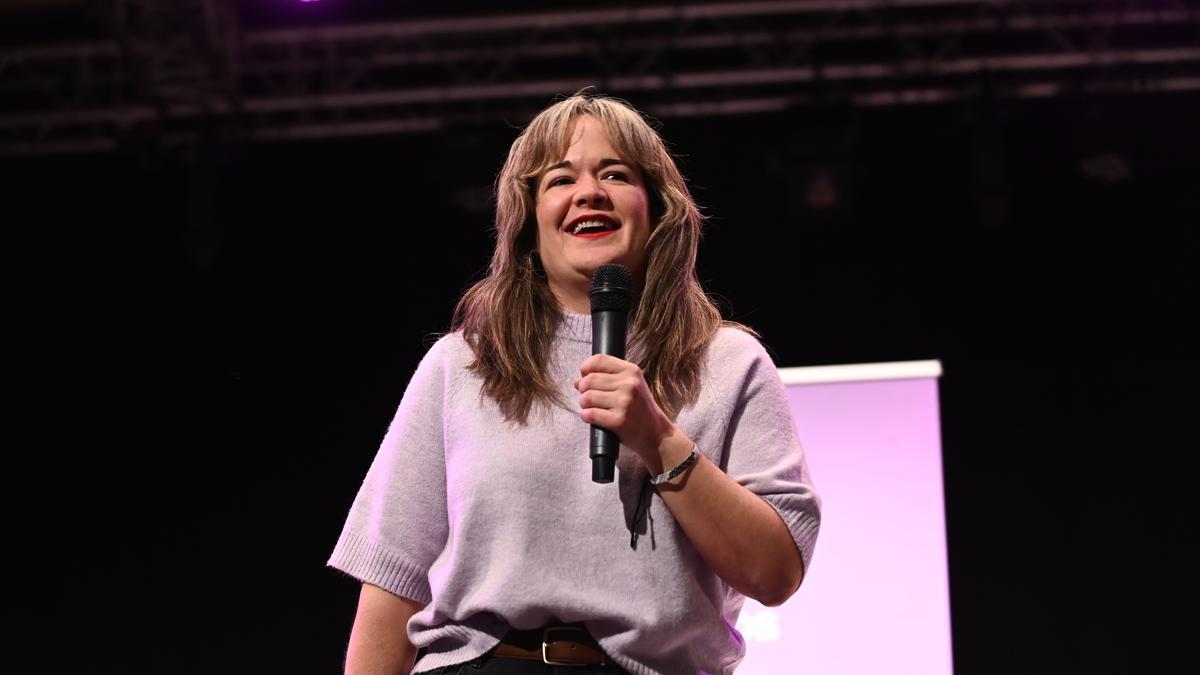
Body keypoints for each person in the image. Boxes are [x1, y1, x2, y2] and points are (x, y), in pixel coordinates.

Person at [329, 92, 821, 674]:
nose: (589, 192)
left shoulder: (728, 361)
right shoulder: (462, 363)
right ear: (529, 222)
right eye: (560, 180)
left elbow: (775, 573)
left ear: (657, 207)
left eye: (615, 173)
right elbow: (393, 581)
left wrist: (659, 439)